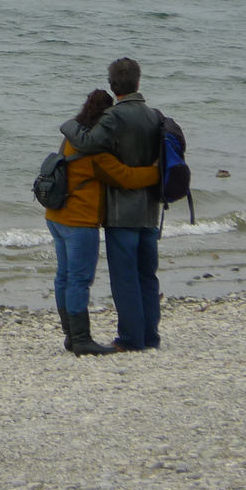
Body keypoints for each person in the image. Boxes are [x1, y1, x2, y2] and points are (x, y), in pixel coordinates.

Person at [61, 57, 167, 351]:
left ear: (112, 85)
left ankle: (131, 339)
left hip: (121, 212)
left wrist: (67, 124)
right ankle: (150, 336)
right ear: (138, 81)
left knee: (124, 278)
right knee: (147, 275)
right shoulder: (155, 115)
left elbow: (86, 141)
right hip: (150, 208)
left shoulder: (113, 117)